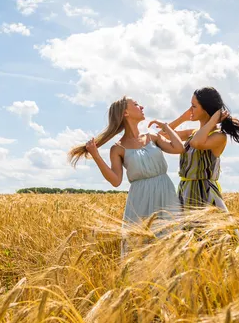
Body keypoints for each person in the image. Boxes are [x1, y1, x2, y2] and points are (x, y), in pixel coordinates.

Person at [68, 96, 185, 256]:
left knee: (172, 243)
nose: (142, 107)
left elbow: (179, 148)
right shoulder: (118, 149)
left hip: (165, 192)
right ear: (125, 113)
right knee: (139, 248)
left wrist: (166, 127)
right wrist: (96, 155)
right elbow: (115, 181)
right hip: (140, 199)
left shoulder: (152, 137)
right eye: (136, 104)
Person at [161, 87, 239, 215]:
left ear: (206, 109)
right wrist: (183, 118)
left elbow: (196, 143)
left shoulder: (219, 136)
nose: (190, 109)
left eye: (193, 106)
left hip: (204, 193)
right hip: (185, 191)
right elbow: (161, 136)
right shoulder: (192, 132)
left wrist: (213, 120)